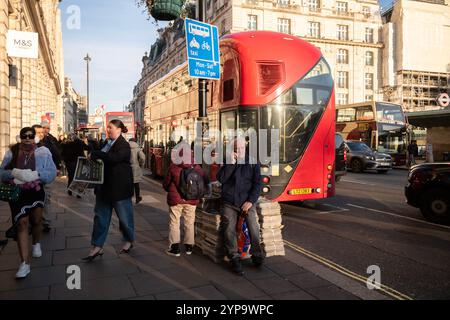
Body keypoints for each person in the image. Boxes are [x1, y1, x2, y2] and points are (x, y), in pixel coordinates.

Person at [0, 127, 57, 278]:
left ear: (35, 138)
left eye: (30, 136)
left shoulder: (43, 152)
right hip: (17, 193)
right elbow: (1, 172)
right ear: (20, 137)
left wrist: (36, 174)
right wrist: (14, 172)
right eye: (24, 136)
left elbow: (51, 173)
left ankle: (36, 242)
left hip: (36, 191)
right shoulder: (12, 152)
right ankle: (24, 263)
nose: (27, 138)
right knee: (22, 223)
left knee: (37, 220)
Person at [83, 120, 135, 261]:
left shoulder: (124, 145)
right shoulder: (107, 143)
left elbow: (114, 158)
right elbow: (102, 159)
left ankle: (129, 240)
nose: (108, 130)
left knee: (125, 219)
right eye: (107, 127)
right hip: (104, 188)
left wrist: (97, 154)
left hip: (120, 189)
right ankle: (97, 246)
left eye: (110, 127)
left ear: (119, 130)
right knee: (100, 218)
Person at [217, 137, 264, 275]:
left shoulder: (253, 162)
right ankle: (234, 256)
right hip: (229, 202)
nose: (240, 151)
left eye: (242, 148)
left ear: (246, 147)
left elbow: (257, 184)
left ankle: (257, 254)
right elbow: (221, 179)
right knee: (228, 228)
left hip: (247, 202)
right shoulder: (227, 160)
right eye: (237, 148)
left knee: (253, 228)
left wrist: (250, 201)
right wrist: (231, 164)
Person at [163, 142, 208, 256]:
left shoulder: (174, 166)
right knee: (189, 222)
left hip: (176, 199)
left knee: (174, 222)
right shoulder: (197, 167)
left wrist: (170, 189)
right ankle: (189, 247)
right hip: (192, 200)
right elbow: (204, 181)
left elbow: (166, 183)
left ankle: (175, 248)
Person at [61, 133, 90, 198]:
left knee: (71, 176)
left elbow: (62, 153)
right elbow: (88, 148)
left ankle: (70, 189)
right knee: (79, 176)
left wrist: (64, 160)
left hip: (69, 162)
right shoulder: (80, 142)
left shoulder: (65, 144)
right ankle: (79, 192)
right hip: (79, 161)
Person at [129, 138, 146, 204]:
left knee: (129, 184)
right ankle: (137, 198)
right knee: (136, 184)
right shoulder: (137, 148)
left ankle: (129, 198)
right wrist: (141, 164)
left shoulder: (125, 147)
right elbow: (143, 157)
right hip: (135, 167)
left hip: (127, 168)